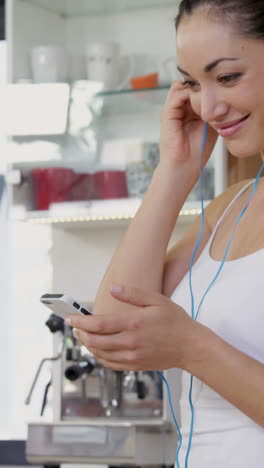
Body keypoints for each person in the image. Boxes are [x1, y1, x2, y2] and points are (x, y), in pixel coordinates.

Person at [65, 0, 264, 466]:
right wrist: (174, 170)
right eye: (193, 83)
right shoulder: (229, 209)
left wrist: (191, 347)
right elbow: (115, 328)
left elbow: (180, 344)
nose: (208, 106)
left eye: (228, 77)